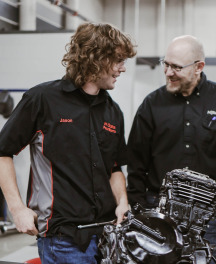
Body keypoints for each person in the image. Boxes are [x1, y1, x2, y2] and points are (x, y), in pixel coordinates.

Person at [0, 22, 136, 263]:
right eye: (118, 60)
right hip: (63, 240)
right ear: (97, 58)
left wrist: (123, 202)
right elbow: (2, 152)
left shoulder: (113, 111)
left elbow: (114, 167)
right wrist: (17, 208)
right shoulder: (42, 100)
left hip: (108, 237)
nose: (122, 69)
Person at [127, 35, 216, 264]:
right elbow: (136, 163)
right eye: (166, 64)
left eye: (176, 67)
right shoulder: (152, 105)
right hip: (160, 214)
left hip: (207, 216)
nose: (168, 72)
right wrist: (141, 214)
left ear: (199, 67)